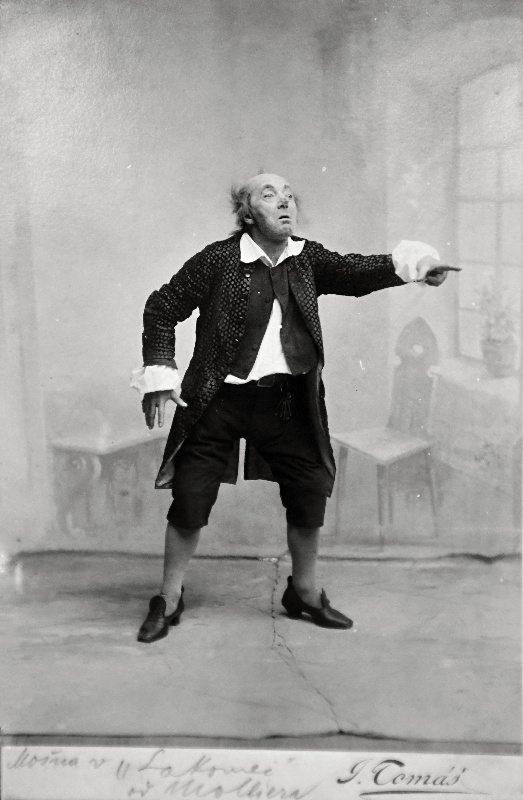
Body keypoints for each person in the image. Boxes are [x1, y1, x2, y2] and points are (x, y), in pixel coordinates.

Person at [131, 172, 449, 643]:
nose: (284, 203)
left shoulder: (307, 258)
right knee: (191, 498)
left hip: (285, 402)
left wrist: (417, 266)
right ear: (247, 213)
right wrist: (160, 374)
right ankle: (169, 596)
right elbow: (162, 307)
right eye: (269, 195)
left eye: (289, 196)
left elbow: (356, 272)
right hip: (217, 401)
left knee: (308, 491)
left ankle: (304, 592)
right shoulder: (218, 260)